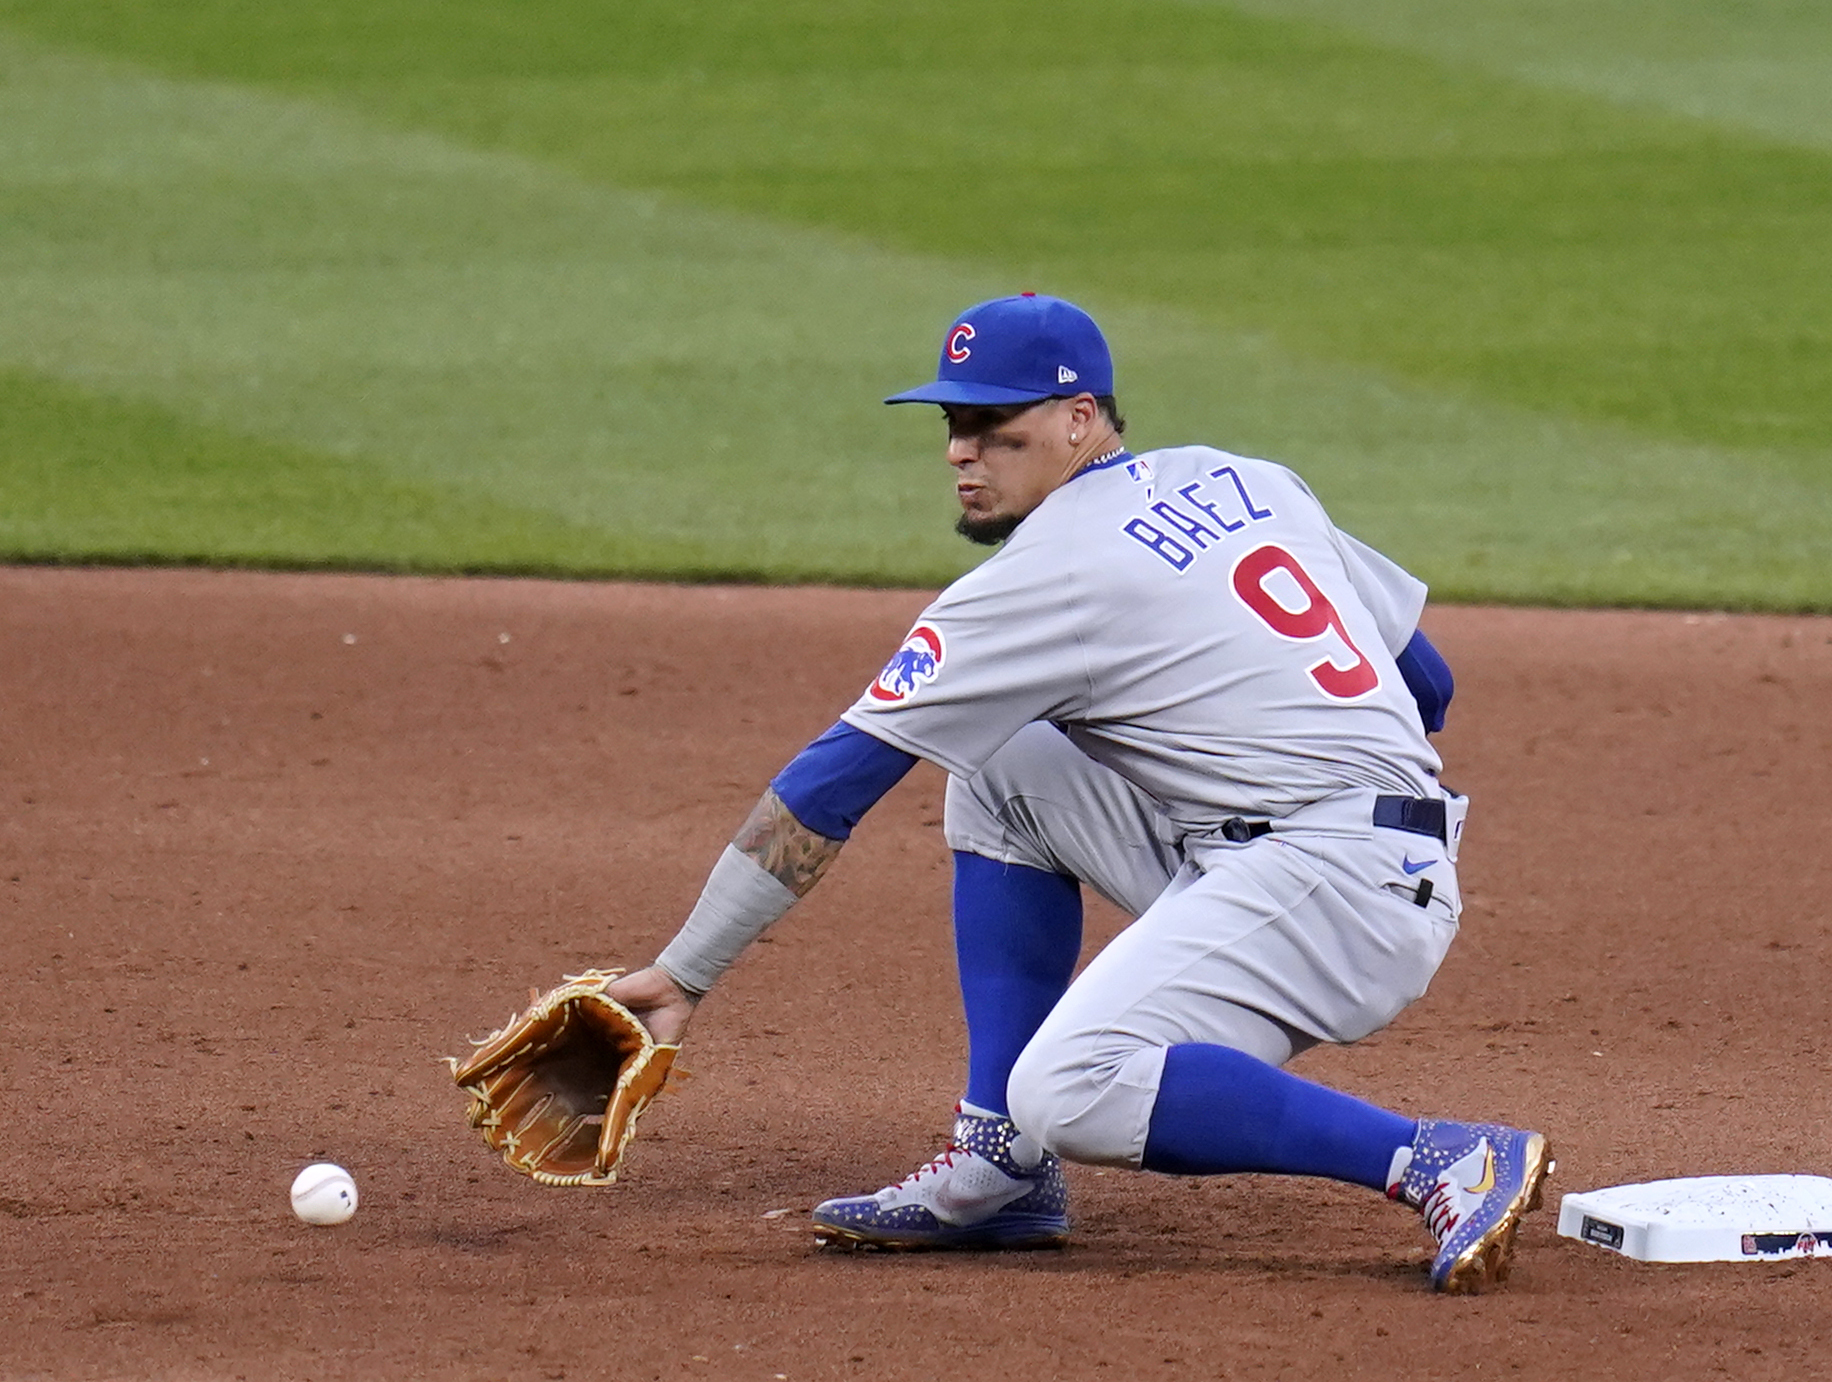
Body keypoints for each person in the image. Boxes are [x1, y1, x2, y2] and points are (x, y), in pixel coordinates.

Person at [605, 293, 1549, 1292]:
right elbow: (1428, 681)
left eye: (994, 430)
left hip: (1334, 886)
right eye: (953, 426)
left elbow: (831, 783)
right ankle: (1001, 1167)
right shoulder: (1239, 477)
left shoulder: (1045, 575)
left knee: (1070, 1087)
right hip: (1341, 847)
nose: (961, 454)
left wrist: (684, 975)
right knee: (1001, 764)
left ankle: (1437, 1159)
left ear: (1077, 419)